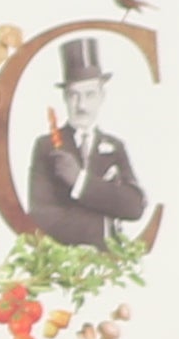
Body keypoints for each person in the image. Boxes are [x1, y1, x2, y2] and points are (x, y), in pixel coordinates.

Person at [22, 38, 150, 240]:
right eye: (74, 95)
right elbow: (41, 217)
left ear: (102, 96)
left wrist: (80, 182)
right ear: (64, 97)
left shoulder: (115, 147)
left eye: (90, 95)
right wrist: (106, 219)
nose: (81, 105)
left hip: (107, 264)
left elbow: (135, 207)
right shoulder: (45, 146)